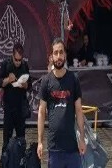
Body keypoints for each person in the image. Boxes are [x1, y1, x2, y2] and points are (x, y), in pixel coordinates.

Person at [37, 38, 86, 168]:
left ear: (65, 55)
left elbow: (79, 110)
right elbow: (41, 112)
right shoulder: (46, 81)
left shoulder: (73, 79)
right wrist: (40, 142)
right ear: (51, 56)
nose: (58, 56)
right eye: (55, 53)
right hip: (54, 147)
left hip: (72, 146)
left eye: (61, 52)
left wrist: (82, 139)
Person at [0, 42, 30, 152]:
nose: (18, 62)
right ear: (12, 55)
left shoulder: (24, 65)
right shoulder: (6, 64)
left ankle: (21, 159)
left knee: (21, 138)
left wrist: (25, 85)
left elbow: (29, 84)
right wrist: (8, 80)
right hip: (9, 107)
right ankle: (5, 159)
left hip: (20, 107)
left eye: (19, 60)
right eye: (16, 60)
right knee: (6, 139)